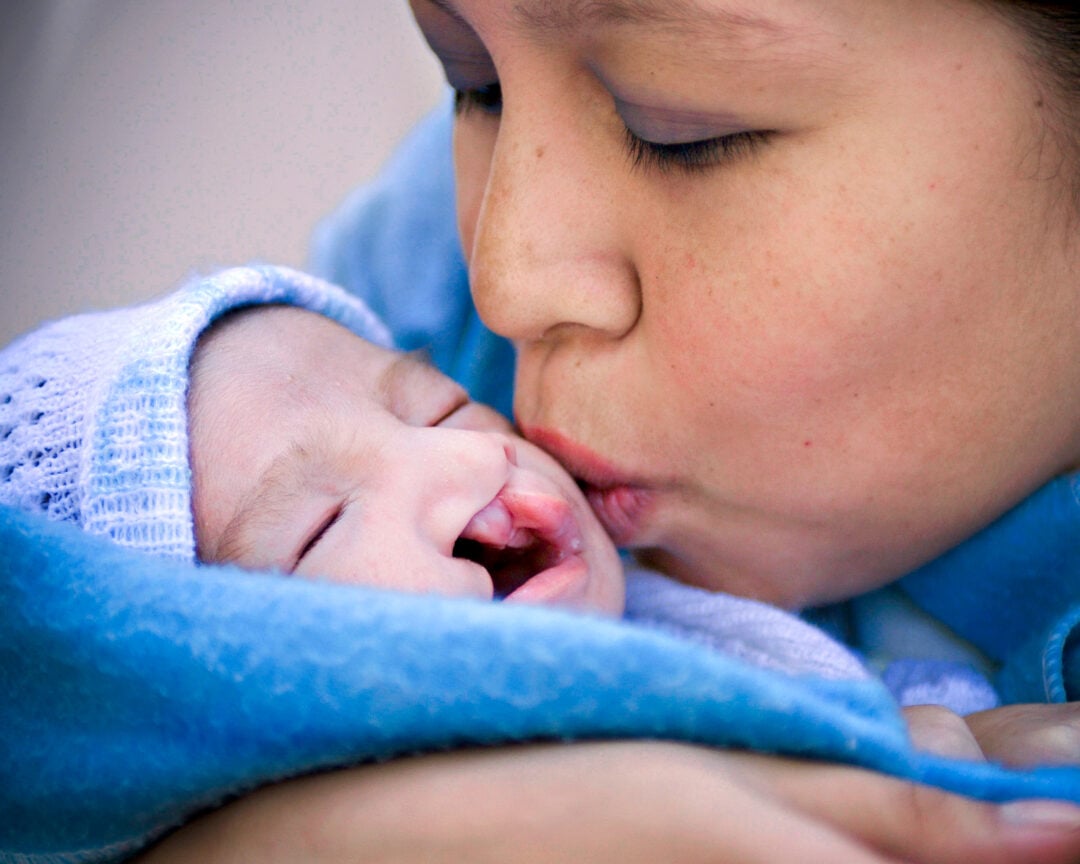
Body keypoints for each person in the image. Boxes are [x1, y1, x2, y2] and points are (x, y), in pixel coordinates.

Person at [2, 266, 1078, 863]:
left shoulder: (680, 605)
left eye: (433, 403)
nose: (465, 455)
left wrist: (944, 734)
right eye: (319, 528)